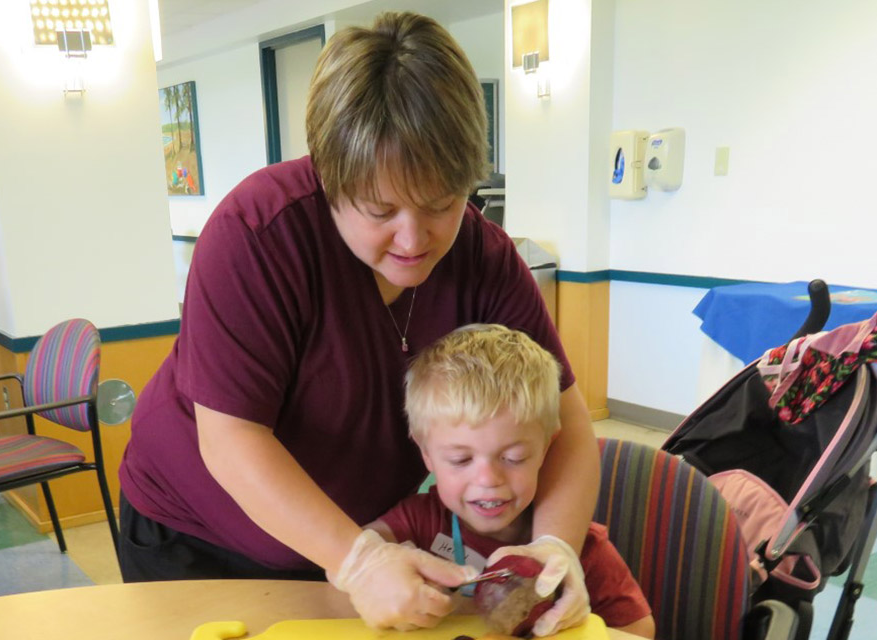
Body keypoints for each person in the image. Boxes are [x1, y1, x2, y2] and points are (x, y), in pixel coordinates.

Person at [117, 10, 600, 633]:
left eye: (440, 204)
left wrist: (554, 550)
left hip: (358, 543)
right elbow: (232, 439)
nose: (413, 237)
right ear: (329, 176)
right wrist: (355, 559)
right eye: (380, 208)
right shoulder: (258, 236)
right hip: (193, 537)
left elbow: (569, 425)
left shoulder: (485, 258)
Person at [367, 325, 654, 638]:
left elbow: (639, 630)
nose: (489, 480)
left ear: (546, 448)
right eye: (461, 460)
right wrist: (383, 572)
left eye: (514, 458)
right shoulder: (418, 521)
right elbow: (365, 550)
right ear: (426, 455)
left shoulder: (585, 551)